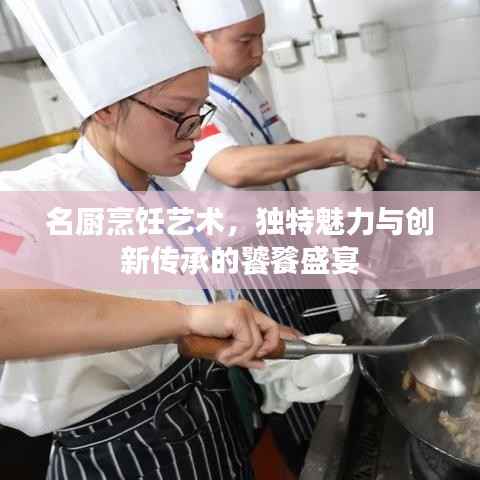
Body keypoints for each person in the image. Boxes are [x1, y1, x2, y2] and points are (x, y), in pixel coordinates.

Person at [0, 1, 353, 478]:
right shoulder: (30, 197)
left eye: (199, 110)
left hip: (205, 427)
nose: (197, 131)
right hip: (119, 455)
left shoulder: (172, 190)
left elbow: (150, 331)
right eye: (177, 113)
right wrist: (187, 317)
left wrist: (213, 340)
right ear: (106, 108)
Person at [176, 0, 406, 475]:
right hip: (247, 263)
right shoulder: (192, 98)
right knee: (289, 372)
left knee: (323, 347)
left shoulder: (243, 85)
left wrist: (355, 154)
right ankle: (312, 459)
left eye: (260, 36)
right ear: (201, 42)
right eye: (244, 40)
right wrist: (337, 148)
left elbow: (283, 149)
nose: (258, 51)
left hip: (286, 243)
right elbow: (234, 167)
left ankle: (342, 433)